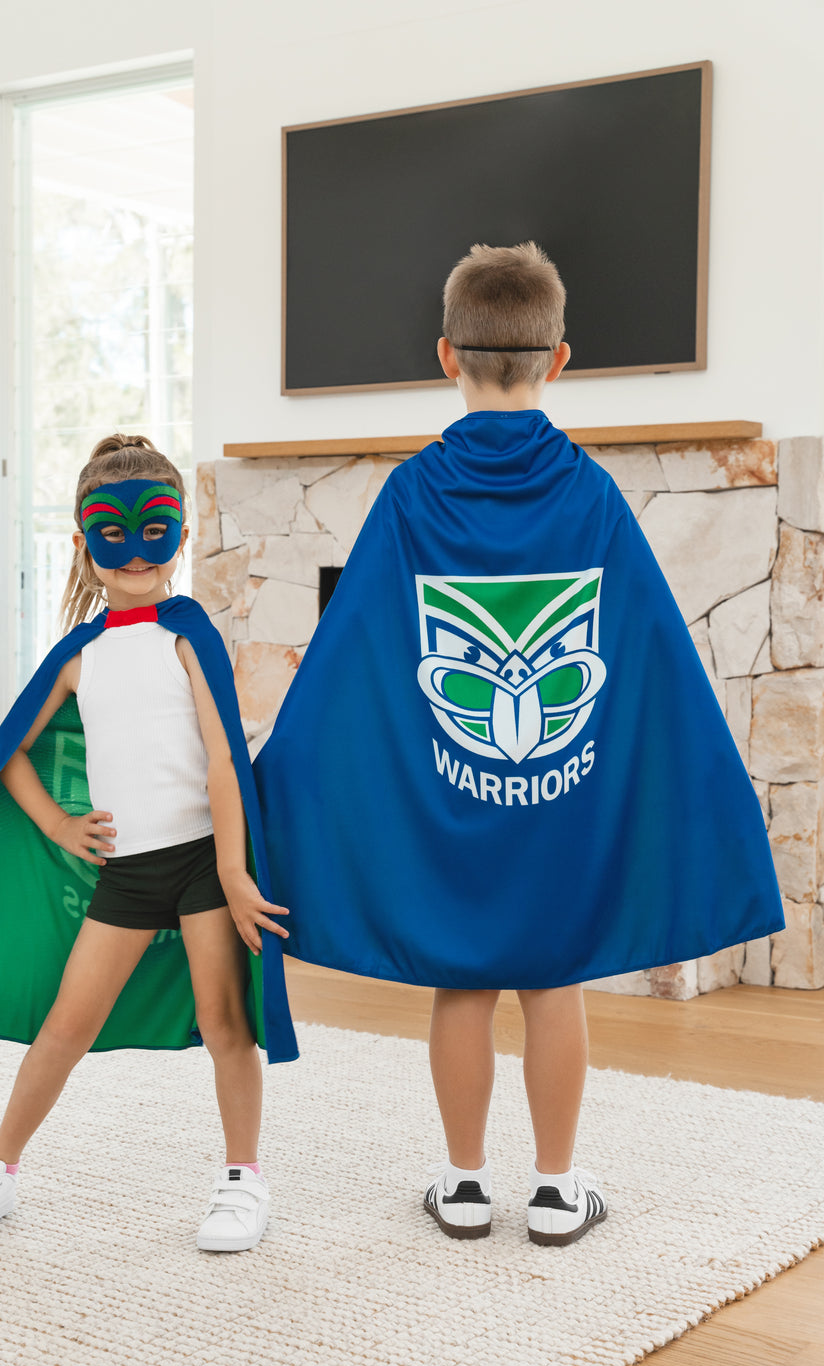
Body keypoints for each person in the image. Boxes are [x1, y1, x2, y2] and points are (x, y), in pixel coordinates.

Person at [254, 243, 782, 1247]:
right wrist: (695, 781)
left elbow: (354, 651)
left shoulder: (411, 495)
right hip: (561, 791)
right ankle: (553, 1188)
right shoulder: (588, 495)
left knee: (464, 976)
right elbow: (649, 655)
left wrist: (279, 783)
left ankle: (460, 1185)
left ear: (445, 354)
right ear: (562, 357)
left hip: (454, 797)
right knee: (551, 976)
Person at [0, 434, 298, 1253]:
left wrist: (231, 868)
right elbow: (6, 746)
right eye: (111, 532)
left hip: (198, 864)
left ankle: (242, 1180)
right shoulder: (79, 655)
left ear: (180, 536)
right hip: (126, 874)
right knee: (64, 1027)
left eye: (155, 529)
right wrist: (53, 823)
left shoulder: (189, 633)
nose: (136, 552)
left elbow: (224, 755)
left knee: (226, 1024)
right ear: (84, 541)